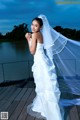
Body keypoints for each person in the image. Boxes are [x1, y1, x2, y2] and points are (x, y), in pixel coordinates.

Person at [25, 14, 80, 120]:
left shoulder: (35, 34)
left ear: (40, 27)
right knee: (45, 85)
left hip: (40, 62)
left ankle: (50, 111)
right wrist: (31, 38)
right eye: (32, 24)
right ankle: (45, 107)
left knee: (44, 85)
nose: (33, 27)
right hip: (41, 61)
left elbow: (32, 51)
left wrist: (28, 39)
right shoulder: (40, 34)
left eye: (36, 26)